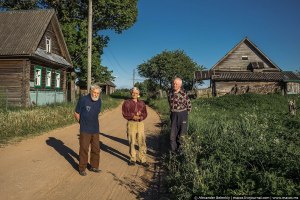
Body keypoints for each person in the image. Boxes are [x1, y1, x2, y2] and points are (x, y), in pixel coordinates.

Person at [74, 85, 102, 176]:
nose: (96, 94)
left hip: (95, 129)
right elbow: (76, 113)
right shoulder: (83, 99)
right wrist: (81, 123)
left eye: (97, 93)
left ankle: (94, 166)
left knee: (96, 149)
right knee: (84, 149)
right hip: (85, 129)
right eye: (94, 92)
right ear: (90, 91)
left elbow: (96, 113)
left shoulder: (99, 101)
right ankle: (82, 168)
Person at [122, 87, 149, 167]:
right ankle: (132, 159)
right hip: (131, 123)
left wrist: (141, 117)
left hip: (140, 124)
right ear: (131, 93)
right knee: (132, 141)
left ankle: (143, 160)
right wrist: (133, 116)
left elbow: (145, 113)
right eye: (133, 92)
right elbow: (124, 113)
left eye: (136, 93)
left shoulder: (142, 103)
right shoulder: (126, 103)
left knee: (142, 141)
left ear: (138, 94)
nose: (135, 94)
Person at [168, 77, 192, 153]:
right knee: (172, 136)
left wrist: (184, 115)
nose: (174, 85)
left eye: (176, 84)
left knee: (182, 135)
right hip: (173, 114)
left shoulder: (184, 94)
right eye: (173, 83)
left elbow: (189, 106)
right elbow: (170, 103)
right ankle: (174, 153)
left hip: (182, 115)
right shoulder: (170, 93)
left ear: (180, 85)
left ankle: (181, 152)